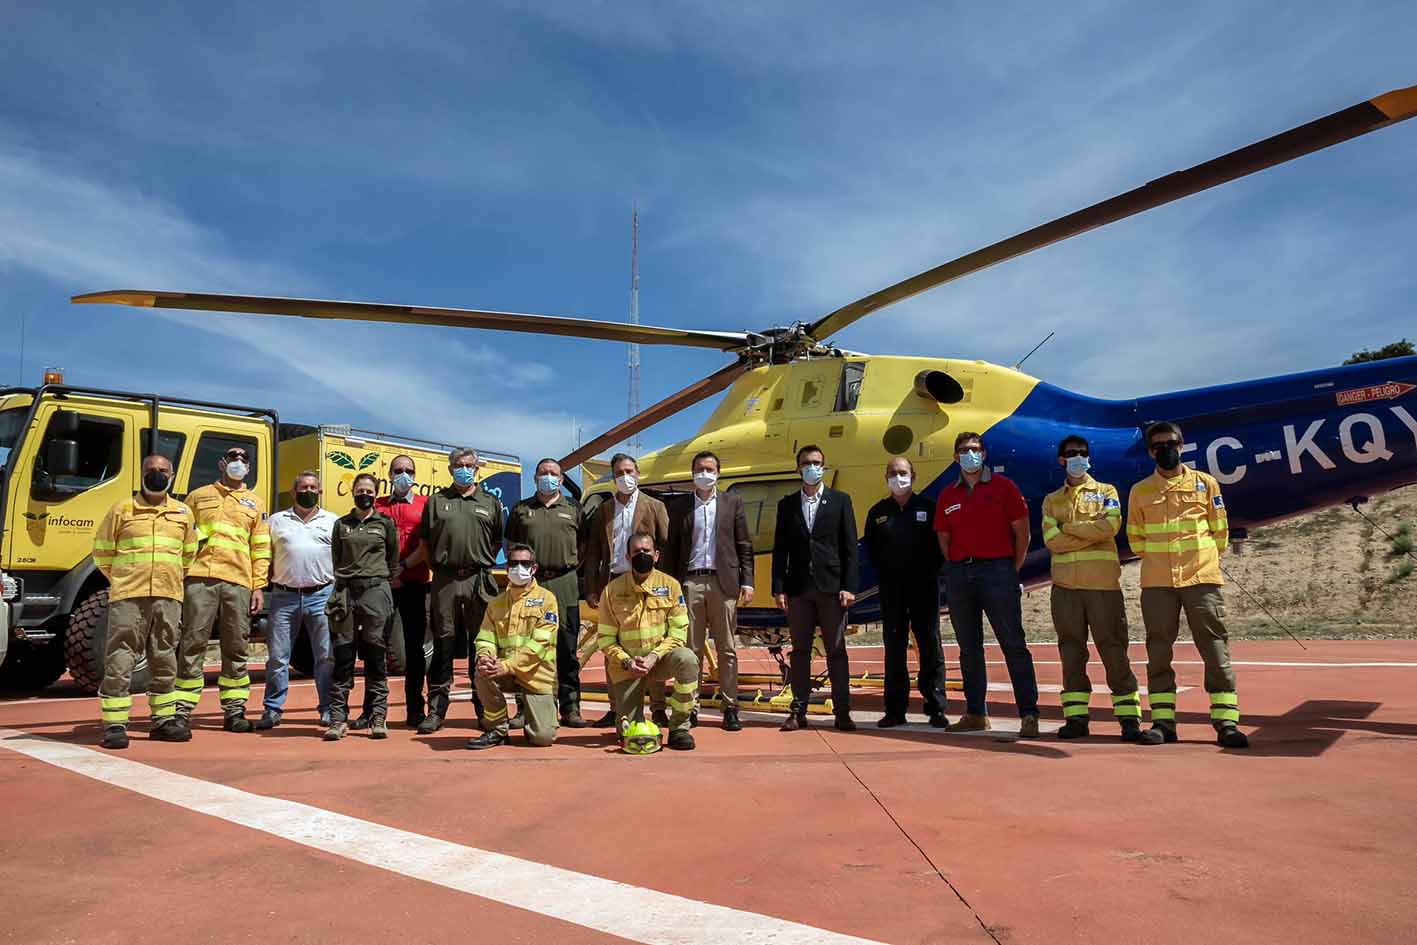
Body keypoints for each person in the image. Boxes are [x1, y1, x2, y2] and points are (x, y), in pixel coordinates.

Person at [1127, 422, 1248, 749]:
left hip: (1200, 580)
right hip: (1157, 584)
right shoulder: (1140, 491)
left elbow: (1219, 533)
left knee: (1214, 649)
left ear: (1182, 446)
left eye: (1171, 443)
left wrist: (1201, 560)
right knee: (1158, 652)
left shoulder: (1206, 484)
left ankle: (1226, 723)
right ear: (1150, 452)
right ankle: (1163, 723)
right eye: (1158, 445)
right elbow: (1136, 540)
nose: (1165, 449)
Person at [933, 432, 1040, 737]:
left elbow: (1022, 532)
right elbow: (943, 537)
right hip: (960, 575)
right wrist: (958, 564)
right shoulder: (947, 496)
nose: (970, 454)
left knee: (1014, 645)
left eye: (975, 449)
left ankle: (1029, 714)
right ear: (955, 457)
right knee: (968, 648)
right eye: (964, 450)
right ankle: (976, 713)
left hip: (998, 572)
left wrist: (1010, 568)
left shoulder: (1003, 488)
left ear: (985, 454)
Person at [91, 454, 198, 748]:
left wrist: (171, 577)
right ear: (141, 474)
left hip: (168, 594)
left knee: (164, 658)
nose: (157, 474)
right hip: (129, 595)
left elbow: (188, 556)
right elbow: (102, 552)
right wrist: (123, 578)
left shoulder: (183, 513)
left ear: (172, 475)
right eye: (151, 470)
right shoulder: (122, 510)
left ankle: (163, 721)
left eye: (163, 470)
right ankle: (114, 725)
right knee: (121, 657)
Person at [1041, 435, 1141, 741]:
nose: (1077, 457)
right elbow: (1050, 540)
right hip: (1066, 590)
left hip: (1102, 587)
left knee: (1114, 651)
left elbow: (1110, 527)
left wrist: (1068, 528)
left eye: (1082, 453)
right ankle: (1076, 718)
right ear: (1061, 460)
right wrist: (1088, 532)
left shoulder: (1106, 492)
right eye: (1071, 454)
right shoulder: (1052, 500)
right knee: (1071, 653)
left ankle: (1129, 718)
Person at [176, 446, 271, 732]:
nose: (238, 463)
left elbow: (261, 548)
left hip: (238, 582)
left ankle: (234, 712)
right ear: (221, 463)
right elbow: (183, 537)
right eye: (233, 458)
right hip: (199, 579)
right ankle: (181, 711)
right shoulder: (197, 497)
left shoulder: (255, 503)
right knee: (192, 644)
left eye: (243, 460)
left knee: (236, 647)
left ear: (249, 468)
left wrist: (258, 586)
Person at [416, 447, 504, 735]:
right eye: (458, 465)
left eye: (469, 465)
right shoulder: (437, 501)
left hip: (479, 580)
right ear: (450, 468)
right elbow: (426, 543)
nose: (464, 469)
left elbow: (495, 542)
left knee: (481, 646)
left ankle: (484, 709)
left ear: (477, 469)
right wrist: (443, 568)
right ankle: (437, 710)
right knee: (443, 645)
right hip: (445, 580)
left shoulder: (489, 502)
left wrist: (475, 562)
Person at [771, 445, 858, 732]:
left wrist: (848, 586)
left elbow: (849, 548)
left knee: (836, 650)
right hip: (798, 589)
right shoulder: (786, 505)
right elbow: (780, 549)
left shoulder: (840, 501)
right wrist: (778, 588)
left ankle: (842, 711)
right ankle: (798, 711)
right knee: (800, 652)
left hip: (832, 588)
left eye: (817, 463)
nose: (812, 467)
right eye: (807, 463)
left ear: (824, 466)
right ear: (798, 468)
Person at [582, 452, 669, 727]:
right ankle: (616, 706)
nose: (625, 477)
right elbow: (594, 551)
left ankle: (657, 708)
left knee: (652, 642)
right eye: (619, 472)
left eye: (629, 471)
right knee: (612, 645)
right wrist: (592, 588)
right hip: (613, 582)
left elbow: (665, 544)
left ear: (638, 474)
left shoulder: (654, 506)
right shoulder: (604, 510)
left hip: (646, 581)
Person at [670, 450, 753, 732]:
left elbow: (744, 544)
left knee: (727, 649)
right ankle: (689, 707)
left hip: (723, 582)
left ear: (718, 473)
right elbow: (672, 549)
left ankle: (730, 707)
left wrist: (748, 580)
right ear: (692, 472)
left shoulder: (732, 502)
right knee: (690, 651)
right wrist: (671, 586)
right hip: (689, 583)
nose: (704, 473)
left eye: (709, 468)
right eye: (699, 469)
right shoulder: (680, 506)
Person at [862, 457, 947, 728]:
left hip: (924, 587)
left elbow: (940, 548)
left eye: (902, 472)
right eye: (892, 473)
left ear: (913, 476)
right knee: (894, 649)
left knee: (930, 645)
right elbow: (872, 551)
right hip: (892, 590)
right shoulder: (877, 513)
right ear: (885, 478)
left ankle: (936, 707)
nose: (898, 478)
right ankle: (895, 710)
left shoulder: (928, 508)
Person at [595, 532, 697, 750]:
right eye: (637, 552)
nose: (642, 555)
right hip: (628, 667)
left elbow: (679, 631)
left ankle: (680, 727)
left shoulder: (671, 586)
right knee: (630, 734)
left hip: (659, 660)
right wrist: (626, 661)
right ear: (627, 557)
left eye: (646, 551)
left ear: (656, 555)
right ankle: (632, 717)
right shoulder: (612, 591)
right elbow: (605, 639)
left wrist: (654, 656)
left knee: (687, 659)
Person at [506, 458, 587, 728]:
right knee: (525, 645)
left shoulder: (574, 508)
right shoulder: (521, 509)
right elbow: (510, 544)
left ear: (562, 479)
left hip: (565, 581)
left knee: (567, 647)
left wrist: (572, 565)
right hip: (531, 582)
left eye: (554, 474)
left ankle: (570, 706)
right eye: (543, 473)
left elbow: (585, 545)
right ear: (535, 478)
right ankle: (523, 708)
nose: (548, 477)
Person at [258, 471, 338, 730]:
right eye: (303, 487)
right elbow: (263, 557)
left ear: (320, 492)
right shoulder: (276, 521)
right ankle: (272, 709)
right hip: (284, 596)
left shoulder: (333, 522)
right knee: (278, 657)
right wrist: (258, 587)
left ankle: (327, 708)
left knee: (325, 657)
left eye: (314, 487)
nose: (309, 491)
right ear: (293, 492)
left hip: (322, 595)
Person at [324, 473, 399, 741]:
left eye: (369, 490)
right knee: (343, 655)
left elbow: (393, 559)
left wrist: (378, 582)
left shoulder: (385, 524)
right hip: (345, 592)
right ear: (352, 492)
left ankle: (378, 716)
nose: (364, 494)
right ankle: (337, 718)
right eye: (359, 490)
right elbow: (336, 557)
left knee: (376, 655)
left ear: (375, 494)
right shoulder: (341, 524)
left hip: (375, 591)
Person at [467, 543, 560, 750]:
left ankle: (540, 712)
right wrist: (485, 656)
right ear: (507, 568)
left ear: (534, 568)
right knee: (482, 672)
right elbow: (485, 637)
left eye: (524, 563)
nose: (519, 568)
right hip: (505, 671)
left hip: (536, 675)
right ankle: (497, 729)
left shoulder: (547, 600)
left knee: (542, 738)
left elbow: (540, 645)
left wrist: (507, 665)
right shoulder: (496, 603)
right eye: (514, 563)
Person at [372, 455, 433, 729]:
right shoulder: (377, 506)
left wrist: (403, 566)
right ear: (389, 474)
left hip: (415, 584)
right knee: (374, 647)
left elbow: (427, 545)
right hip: (382, 587)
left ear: (415, 475)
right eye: (398, 471)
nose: (403, 475)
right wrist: (388, 572)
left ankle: (415, 709)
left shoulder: (425, 506)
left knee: (414, 650)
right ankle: (372, 711)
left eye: (408, 471)